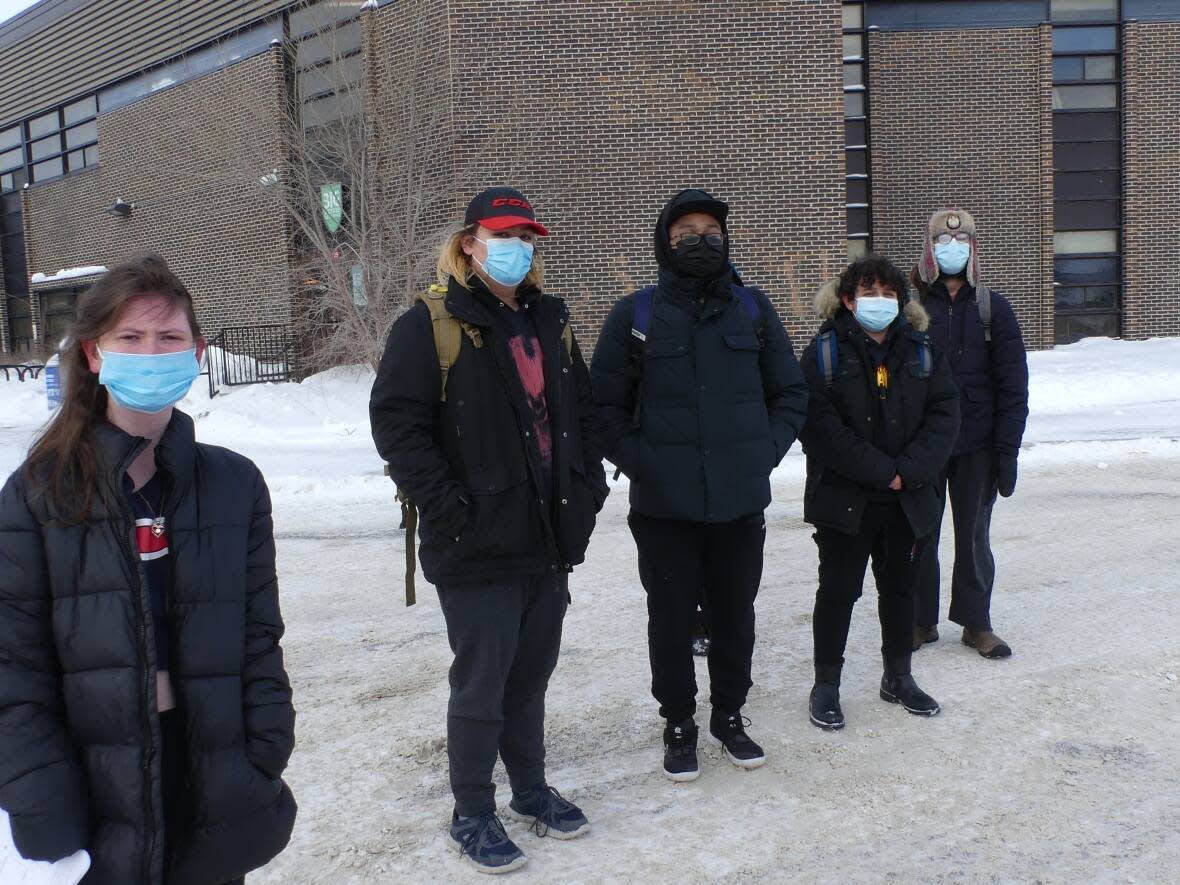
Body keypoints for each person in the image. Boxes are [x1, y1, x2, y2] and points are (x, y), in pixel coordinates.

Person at [0, 253, 297, 884]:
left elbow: (258, 633)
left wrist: (266, 748)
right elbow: (12, 666)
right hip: (94, 793)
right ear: (94, 354)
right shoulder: (38, 492)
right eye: (129, 338)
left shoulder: (234, 483)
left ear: (197, 353)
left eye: (169, 337)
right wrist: (39, 798)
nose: (151, 351)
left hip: (212, 777)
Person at [370, 187, 607, 874]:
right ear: (470, 242)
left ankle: (530, 790)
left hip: (547, 537)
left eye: (527, 237)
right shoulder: (431, 322)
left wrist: (587, 491)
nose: (517, 248)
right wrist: (451, 509)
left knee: (531, 673)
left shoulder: (549, 320)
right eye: (503, 235)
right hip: (475, 541)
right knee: (482, 680)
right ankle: (472, 808)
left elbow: (584, 417)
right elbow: (397, 425)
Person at [591, 189, 808, 781]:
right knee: (669, 618)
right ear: (666, 240)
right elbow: (602, 408)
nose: (699, 239)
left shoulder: (754, 310)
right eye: (686, 229)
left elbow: (791, 393)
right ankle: (679, 723)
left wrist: (761, 454)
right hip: (665, 508)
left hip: (740, 504)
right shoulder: (634, 315)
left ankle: (730, 717)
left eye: (711, 229)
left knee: (736, 615)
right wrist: (644, 463)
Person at [799, 255, 959, 730]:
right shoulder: (824, 352)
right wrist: (880, 471)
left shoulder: (923, 351)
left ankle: (898, 677)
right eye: (869, 292)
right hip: (846, 501)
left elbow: (946, 415)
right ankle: (826, 685)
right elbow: (819, 426)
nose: (880, 302)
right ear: (848, 299)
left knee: (900, 591)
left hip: (907, 498)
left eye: (889, 294)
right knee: (837, 593)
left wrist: (906, 472)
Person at [911, 209, 1029, 659]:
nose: (952, 250)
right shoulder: (913, 309)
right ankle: (920, 620)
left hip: (978, 444)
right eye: (942, 243)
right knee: (920, 532)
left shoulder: (993, 309)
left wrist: (1008, 450)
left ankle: (976, 622)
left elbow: (1013, 385)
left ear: (974, 249)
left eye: (960, 244)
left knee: (974, 535)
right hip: (925, 444)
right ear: (930, 249)